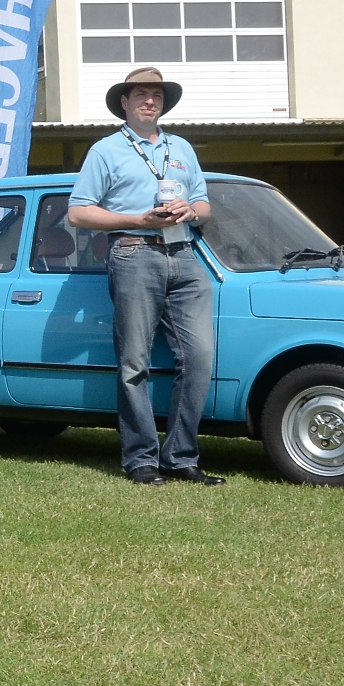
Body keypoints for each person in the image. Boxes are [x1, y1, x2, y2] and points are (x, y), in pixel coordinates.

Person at [66, 66, 222, 486]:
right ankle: (140, 459)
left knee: (200, 357)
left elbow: (205, 204)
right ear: (125, 102)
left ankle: (182, 457)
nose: (149, 100)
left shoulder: (182, 147)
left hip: (186, 256)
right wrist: (139, 219)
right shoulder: (105, 150)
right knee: (134, 363)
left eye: (156, 95)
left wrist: (191, 211)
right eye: (141, 94)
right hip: (134, 252)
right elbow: (78, 211)